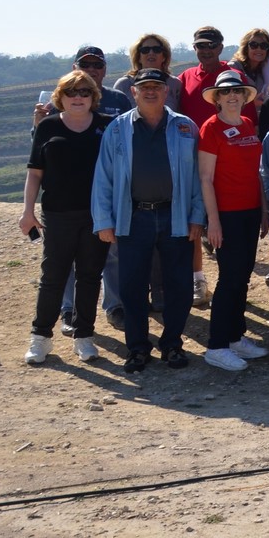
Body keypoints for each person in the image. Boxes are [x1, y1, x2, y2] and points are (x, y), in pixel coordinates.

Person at [91, 68, 206, 373]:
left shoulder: (185, 128)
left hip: (176, 215)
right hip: (133, 216)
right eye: (145, 87)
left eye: (157, 86)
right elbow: (103, 178)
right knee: (132, 286)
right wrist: (104, 221)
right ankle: (138, 348)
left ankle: (171, 345)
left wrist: (198, 216)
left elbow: (197, 177)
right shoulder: (117, 130)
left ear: (166, 91)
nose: (151, 91)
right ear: (134, 92)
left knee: (179, 285)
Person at [21, 72, 113, 366]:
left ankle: (84, 338)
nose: (78, 97)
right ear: (60, 96)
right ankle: (41, 338)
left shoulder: (105, 126)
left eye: (85, 91)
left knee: (89, 276)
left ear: (93, 97)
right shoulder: (47, 126)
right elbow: (35, 172)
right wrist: (27, 212)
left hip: (96, 215)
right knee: (53, 277)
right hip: (57, 215)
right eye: (71, 91)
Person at [195, 71, 268, 372]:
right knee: (229, 279)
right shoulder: (210, 129)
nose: (232, 96)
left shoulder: (249, 124)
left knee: (242, 277)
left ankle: (235, 337)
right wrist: (213, 221)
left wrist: (263, 210)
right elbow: (205, 178)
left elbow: (255, 173)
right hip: (226, 214)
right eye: (226, 93)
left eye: (237, 91)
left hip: (250, 212)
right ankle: (217, 346)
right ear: (217, 99)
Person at [180, 26, 250, 130]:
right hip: (190, 143)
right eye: (201, 45)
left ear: (221, 48)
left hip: (227, 143)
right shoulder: (186, 76)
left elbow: (249, 119)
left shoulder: (236, 77)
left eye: (212, 45)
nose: (207, 50)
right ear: (195, 48)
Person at [113, 35, 182, 111]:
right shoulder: (123, 84)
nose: (151, 53)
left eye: (157, 49)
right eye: (145, 50)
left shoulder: (175, 84)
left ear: (164, 57)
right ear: (138, 57)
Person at [229, 27, 269, 94]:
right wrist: (253, 103)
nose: (259, 49)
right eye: (254, 45)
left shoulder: (262, 72)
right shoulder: (233, 67)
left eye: (264, 45)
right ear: (246, 48)